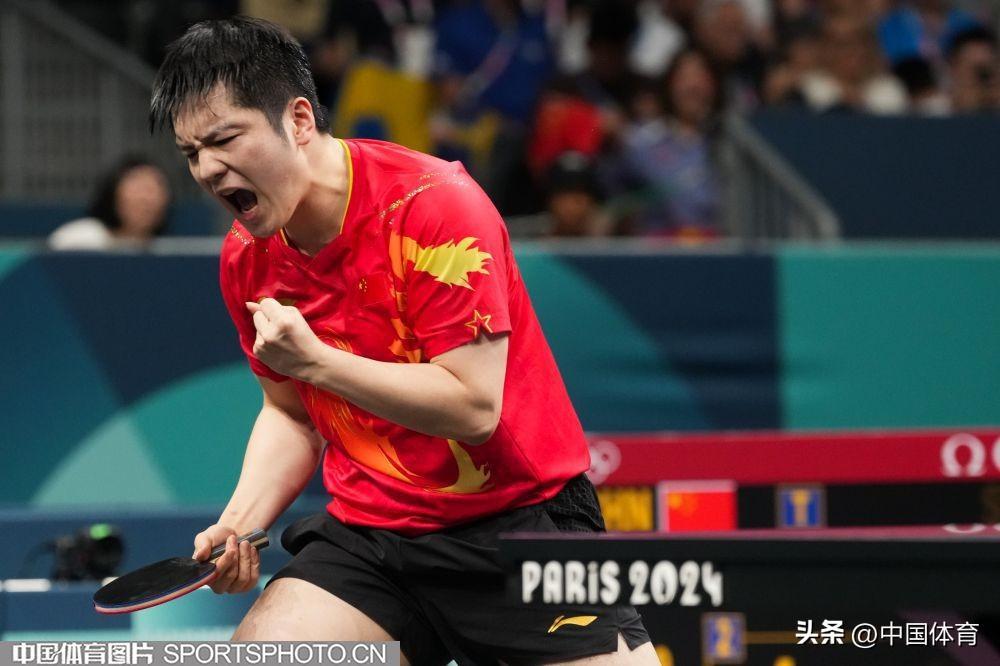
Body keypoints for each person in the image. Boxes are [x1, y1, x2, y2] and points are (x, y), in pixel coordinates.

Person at [149, 16, 655, 665]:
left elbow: (473, 407)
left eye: (224, 139)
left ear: (298, 121)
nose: (208, 169)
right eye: (192, 153)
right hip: (374, 538)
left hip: (517, 524)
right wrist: (241, 522)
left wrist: (318, 362)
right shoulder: (247, 257)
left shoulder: (432, 205)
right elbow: (291, 414)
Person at [48, 156, 171, 251]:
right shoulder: (79, 239)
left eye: (152, 190)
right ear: (113, 194)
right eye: (138, 189)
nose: (146, 200)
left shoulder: (166, 250)